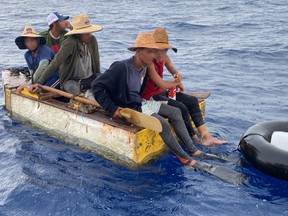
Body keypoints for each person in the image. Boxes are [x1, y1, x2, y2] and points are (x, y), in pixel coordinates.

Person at [91, 32, 217, 167]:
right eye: (150, 52)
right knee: (162, 123)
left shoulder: (144, 68)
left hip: (140, 103)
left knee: (175, 112)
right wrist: (112, 108)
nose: (154, 55)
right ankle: (185, 159)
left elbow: (141, 92)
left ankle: (194, 150)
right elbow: (96, 86)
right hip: (129, 108)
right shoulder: (121, 67)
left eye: (155, 52)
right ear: (139, 51)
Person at [141, 28, 228, 146]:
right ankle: (194, 138)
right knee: (180, 107)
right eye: (158, 50)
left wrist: (177, 77)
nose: (162, 53)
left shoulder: (165, 57)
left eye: (165, 50)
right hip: (150, 98)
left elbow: (173, 71)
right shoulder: (149, 63)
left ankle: (206, 137)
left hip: (161, 93)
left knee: (191, 100)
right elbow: (161, 83)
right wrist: (175, 83)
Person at [28, 14, 103, 94]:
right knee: (70, 87)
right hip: (73, 80)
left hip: (89, 77)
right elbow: (55, 63)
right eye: (86, 33)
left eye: (89, 32)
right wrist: (39, 83)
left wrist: (98, 77)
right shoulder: (70, 43)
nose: (89, 35)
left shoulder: (92, 40)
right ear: (78, 33)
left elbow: (96, 60)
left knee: (106, 79)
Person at [15, 26, 59, 94]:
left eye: (32, 40)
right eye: (27, 41)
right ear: (25, 44)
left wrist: (28, 85)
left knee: (43, 90)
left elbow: (42, 68)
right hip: (43, 79)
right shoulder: (27, 55)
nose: (30, 43)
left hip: (56, 76)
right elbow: (32, 72)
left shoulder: (45, 50)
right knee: (35, 90)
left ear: (37, 40)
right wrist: (30, 84)